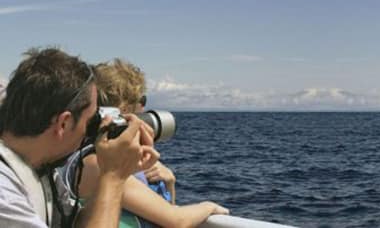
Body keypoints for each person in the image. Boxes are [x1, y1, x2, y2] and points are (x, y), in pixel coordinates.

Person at [0, 47, 159, 228]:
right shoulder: (4, 195)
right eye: (90, 122)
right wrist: (113, 177)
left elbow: (77, 224)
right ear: (64, 123)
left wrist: (116, 171)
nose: (92, 131)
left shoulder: (39, 167)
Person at [62, 58, 227, 228]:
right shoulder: (99, 165)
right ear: (122, 110)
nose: (142, 110)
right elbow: (177, 220)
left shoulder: (107, 161)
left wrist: (168, 183)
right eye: (139, 102)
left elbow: (161, 217)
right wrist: (209, 206)